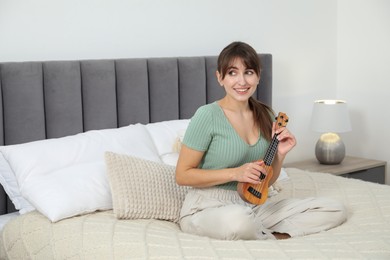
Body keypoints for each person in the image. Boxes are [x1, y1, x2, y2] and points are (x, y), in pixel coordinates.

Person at [175, 41, 347, 240]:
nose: (242, 81)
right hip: (207, 207)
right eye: (232, 73)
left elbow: (265, 182)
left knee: (334, 209)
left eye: (248, 72)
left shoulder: (265, 114)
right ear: (219, 77)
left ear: (258, 76)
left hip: (253, 205)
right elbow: (182, 175)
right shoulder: (207, 115)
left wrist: (280, 156)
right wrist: (236, 173)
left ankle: (261, 234)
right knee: (239, 220)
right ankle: (263, 233)